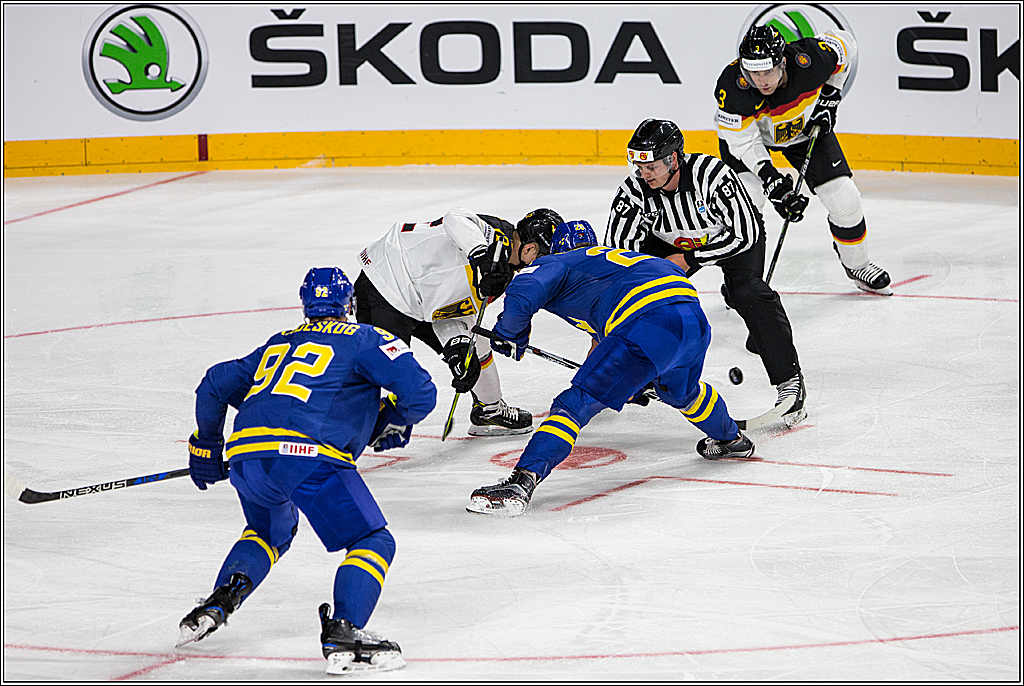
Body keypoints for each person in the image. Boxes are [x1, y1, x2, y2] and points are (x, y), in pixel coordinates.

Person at [178, 267, 436, 675]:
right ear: (348, 304)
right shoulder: (368, 338)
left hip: (248, 457)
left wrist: (206, 445)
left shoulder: (278, 343)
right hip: (309, 457)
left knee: (268, 533)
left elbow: (215, 383)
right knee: (371, 538)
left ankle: (218, 603)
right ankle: (345, 629)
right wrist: (393, 418)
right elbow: (421, 393)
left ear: (305, 305)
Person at [466, 221, 754, 517]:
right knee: (682, 394)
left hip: (646, 323)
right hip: (693, 324)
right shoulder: (614, 266)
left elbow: (526, 288)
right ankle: (731, 439)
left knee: (573, 406)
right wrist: (633, 383)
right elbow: (609, 344)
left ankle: (520, 483)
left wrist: (509, 333)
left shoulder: (557, 262)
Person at [605, 118, 806, 428]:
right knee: (640, 297)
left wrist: (692, 258)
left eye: (651, 167)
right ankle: (640, 369)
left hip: (730, 238)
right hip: (667, 242)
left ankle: (789, 381)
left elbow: (746, 234)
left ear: (673, 159)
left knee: (747, 292)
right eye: (639, 166)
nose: (644, 174)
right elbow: (619, 258)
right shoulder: (634, 191)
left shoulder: (711, 176)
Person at [714, 24, 892, 295]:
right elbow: (743, 142)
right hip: (753, 143)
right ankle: (741, 283)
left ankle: (857, 265)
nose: (761, 80)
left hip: (804, 131)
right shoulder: (732, 86)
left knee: (845, 198)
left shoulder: (809, 59)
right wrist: (771, 179)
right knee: (748, 204)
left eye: (767, 71)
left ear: (782, 62)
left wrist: (832, 94)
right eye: (753, 72)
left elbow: (847, 45)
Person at [355, 207, 548, 436]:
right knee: (383, 373)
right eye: (544, 257)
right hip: (386, 283)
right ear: (530, 248)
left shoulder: (502, 275)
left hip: (420, 301)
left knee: (474, 348)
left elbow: (456, 306)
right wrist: (480, 255)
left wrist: (458, 345)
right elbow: (455, 217)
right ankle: (330, 430)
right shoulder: (494, 236)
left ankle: (490, 409)